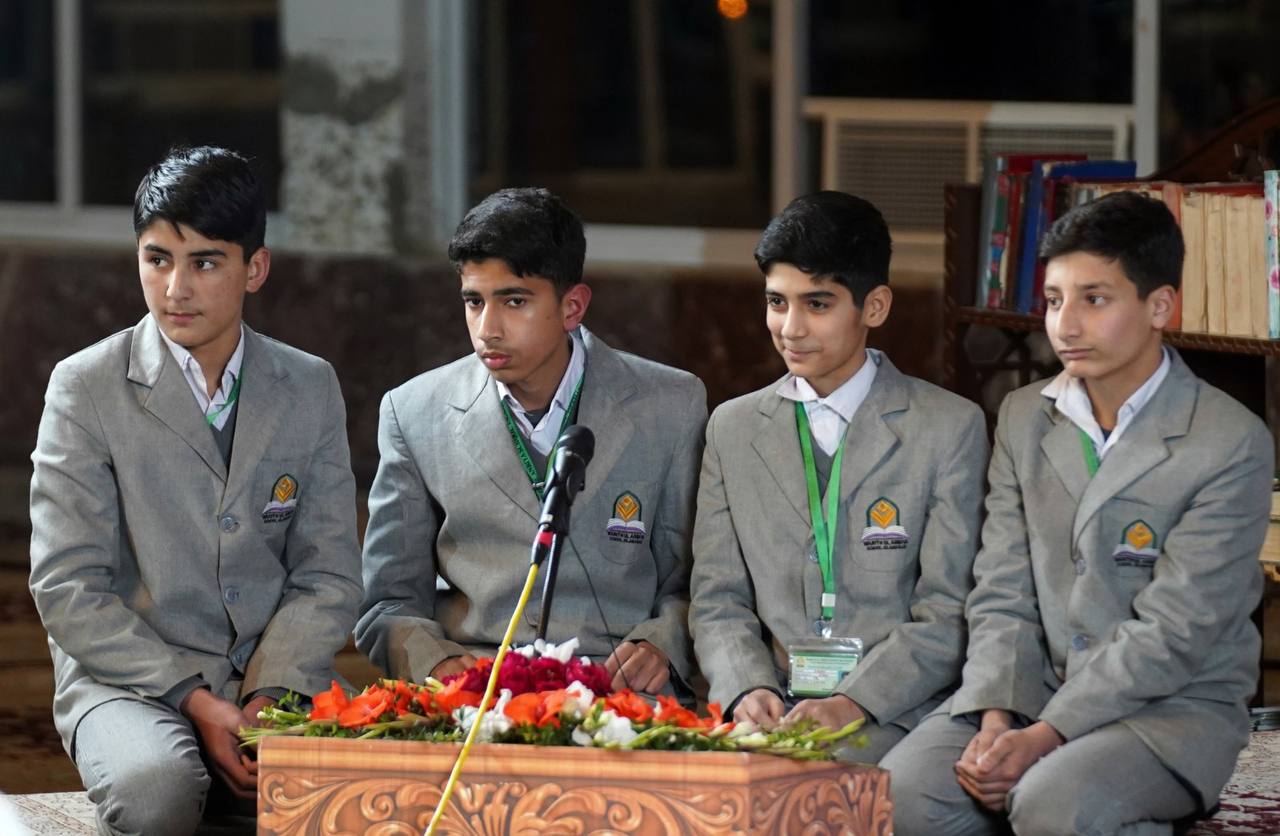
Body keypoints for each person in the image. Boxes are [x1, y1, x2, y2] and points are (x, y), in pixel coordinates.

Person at [884, 190, 1274, 835]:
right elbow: (1002, 589)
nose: (1065, 326)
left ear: (1160, 306)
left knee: (1049, 804)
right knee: (899, 798)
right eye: (1054, 299)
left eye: (1094, 299)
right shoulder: (1023, 416)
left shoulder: (1229, 440)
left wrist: (1046, 736)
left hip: (1170, 710)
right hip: (1029, 691)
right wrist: (997, 717)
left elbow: (1175, 633)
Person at [29, 146, 363, 835]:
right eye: (158, 259)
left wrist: (270, 695)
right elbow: (67, 585)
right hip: (128, 679)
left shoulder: (309, 385)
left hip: (272, 676)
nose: (175, 288)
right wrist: (196, 701)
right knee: (158, 792)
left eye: (205, 263)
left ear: (255, 269)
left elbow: (328, 572)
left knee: (391, 779)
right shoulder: (84, 386)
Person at [356, 187, 706, 696]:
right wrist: (439, 662)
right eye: (474, 301)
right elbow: (387, 604)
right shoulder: (413, 412)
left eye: (514, 301)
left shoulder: (671, 405)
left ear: (573, 306)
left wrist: (662, 644)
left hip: (619, 692)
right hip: (476, 693)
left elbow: (699, 586)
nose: (487, 329)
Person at [689, 191, 988, 761]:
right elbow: (717, 599)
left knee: (815, 787)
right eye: (777, 302)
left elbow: (948, 611)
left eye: (817, 304)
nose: (790, 327)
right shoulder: (732, 427)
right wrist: (746, 688)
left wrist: (854, 701)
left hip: (897, 712)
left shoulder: (948, 427)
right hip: (772, 708)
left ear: (874, 306)